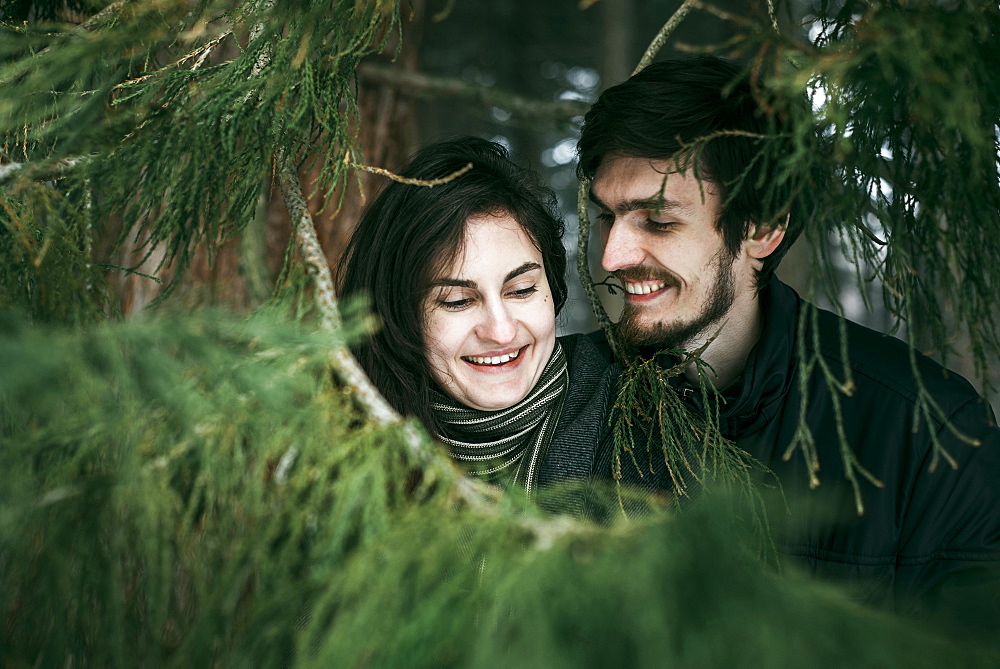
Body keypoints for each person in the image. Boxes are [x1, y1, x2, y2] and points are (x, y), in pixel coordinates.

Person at [576, 55, 1000, 630]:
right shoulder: (567, 396)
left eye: (656, 220)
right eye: (608, 217)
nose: (613, 257)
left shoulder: (927, 430)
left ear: (762, 228)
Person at [338, 137, 609, 498]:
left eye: (522, 290)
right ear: (397, 314)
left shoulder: (632, 408)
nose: (501, 331)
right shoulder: (340, 452)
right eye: (458, 300)